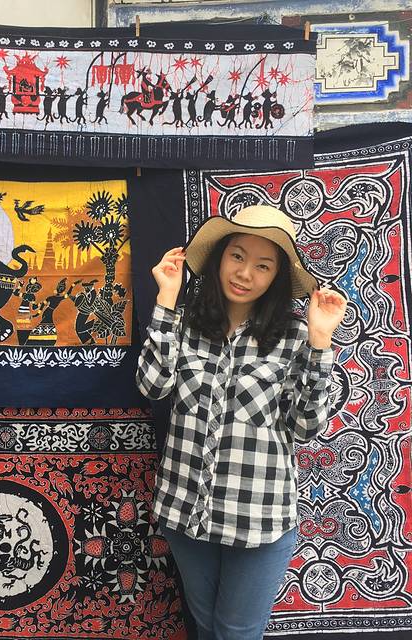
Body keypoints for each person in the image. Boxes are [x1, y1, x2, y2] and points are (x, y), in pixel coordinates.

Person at [135, 205, 347, 640]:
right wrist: (166, 300)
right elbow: (152, 386)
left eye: (263, 265)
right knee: (206, 626)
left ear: (276, 277)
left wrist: (321, 340)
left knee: (236, 632)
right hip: (185, 510)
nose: (245, 273)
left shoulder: (294, 336)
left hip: (259, 517)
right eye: (237, 256)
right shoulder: (184, 324)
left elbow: (306, 428)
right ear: (219, 258)